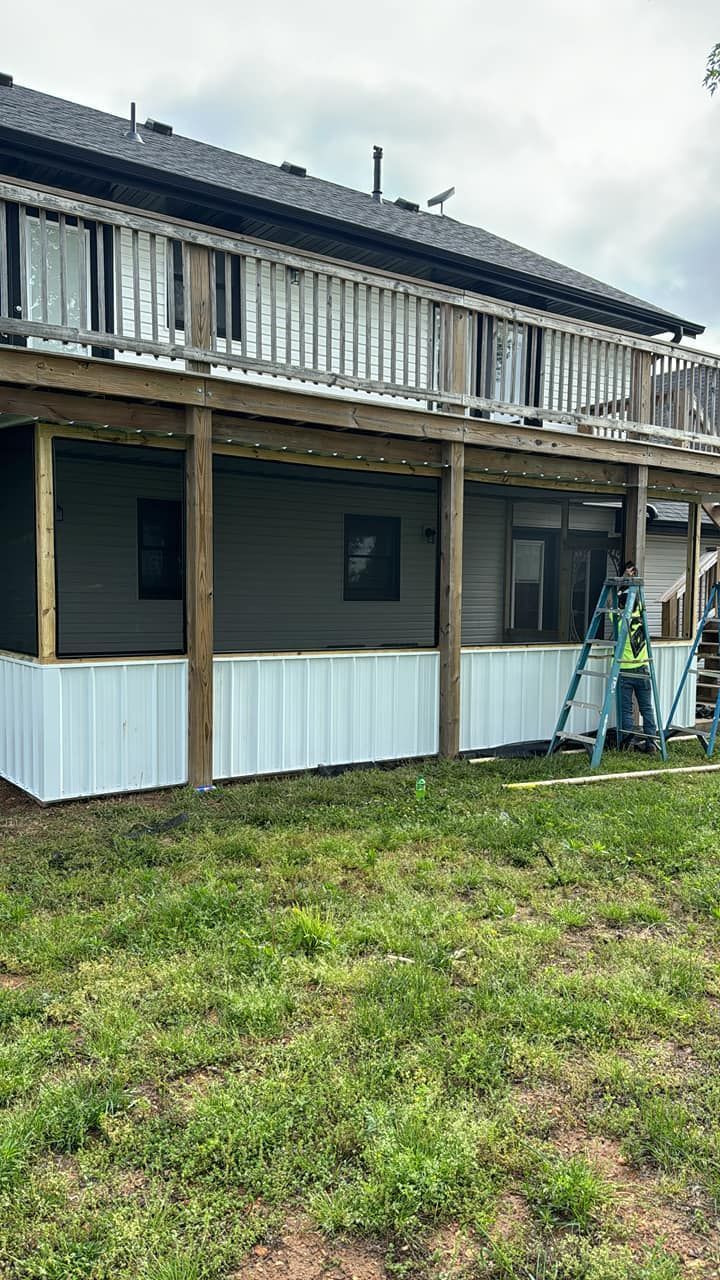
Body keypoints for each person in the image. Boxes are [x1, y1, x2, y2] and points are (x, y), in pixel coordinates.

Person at [616, 560, 658, 754]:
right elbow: (637, 600)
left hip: (624, 670)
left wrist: (624, 582)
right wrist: (632, 580)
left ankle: (627, 744)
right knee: (646, 709)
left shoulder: (617, 619)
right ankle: (651, 744)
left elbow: (617, 603)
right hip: (642, 668)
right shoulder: (641, 616)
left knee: (626, 710)